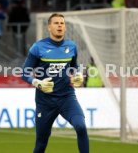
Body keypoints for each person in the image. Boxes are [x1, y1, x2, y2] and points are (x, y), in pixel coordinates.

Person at [22, 13, 89, 153]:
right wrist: (37, 83)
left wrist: (77, 75)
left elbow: (74, 66)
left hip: (67, 97)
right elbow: (24, 72)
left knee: (81, 127)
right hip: (45, 101)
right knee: (41, 144)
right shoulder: (38, 47)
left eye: (62, 23)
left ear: (65, 28)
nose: (59, 25)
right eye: (56, 23)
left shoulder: (71, 46)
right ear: (49, 27)